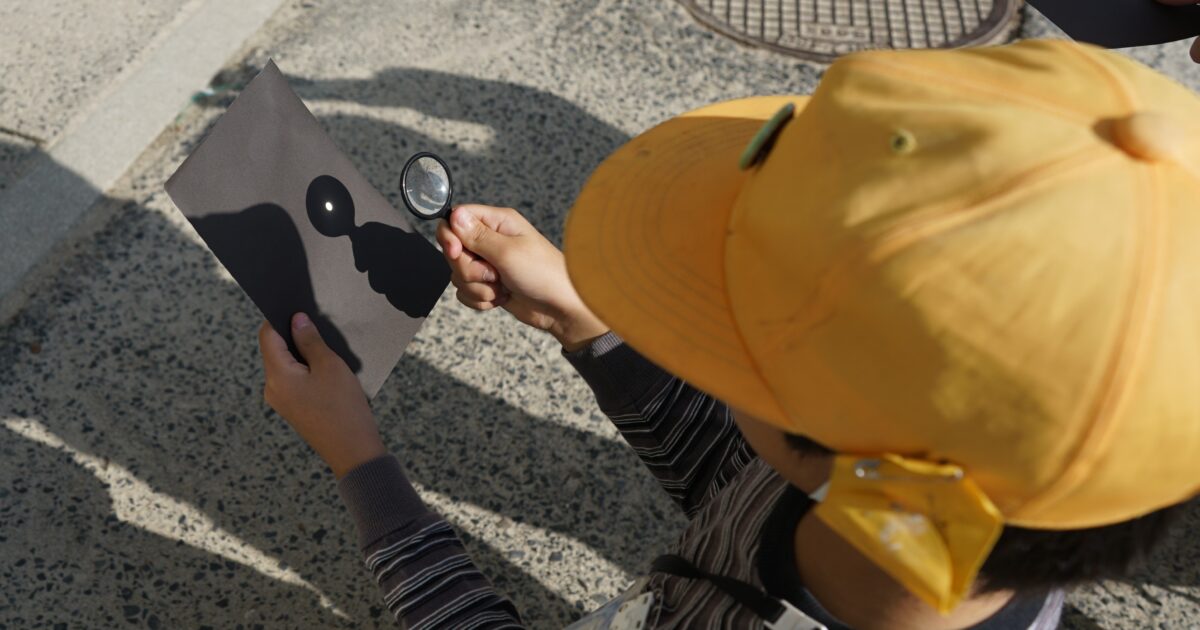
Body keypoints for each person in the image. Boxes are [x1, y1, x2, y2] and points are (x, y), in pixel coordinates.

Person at [257, 39, 1199, 629]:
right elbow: (746, 487)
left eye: (717, 314)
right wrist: (586, 324)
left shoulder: (863, 503)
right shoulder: (954, 513)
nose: (695, 326)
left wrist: (363, 467)